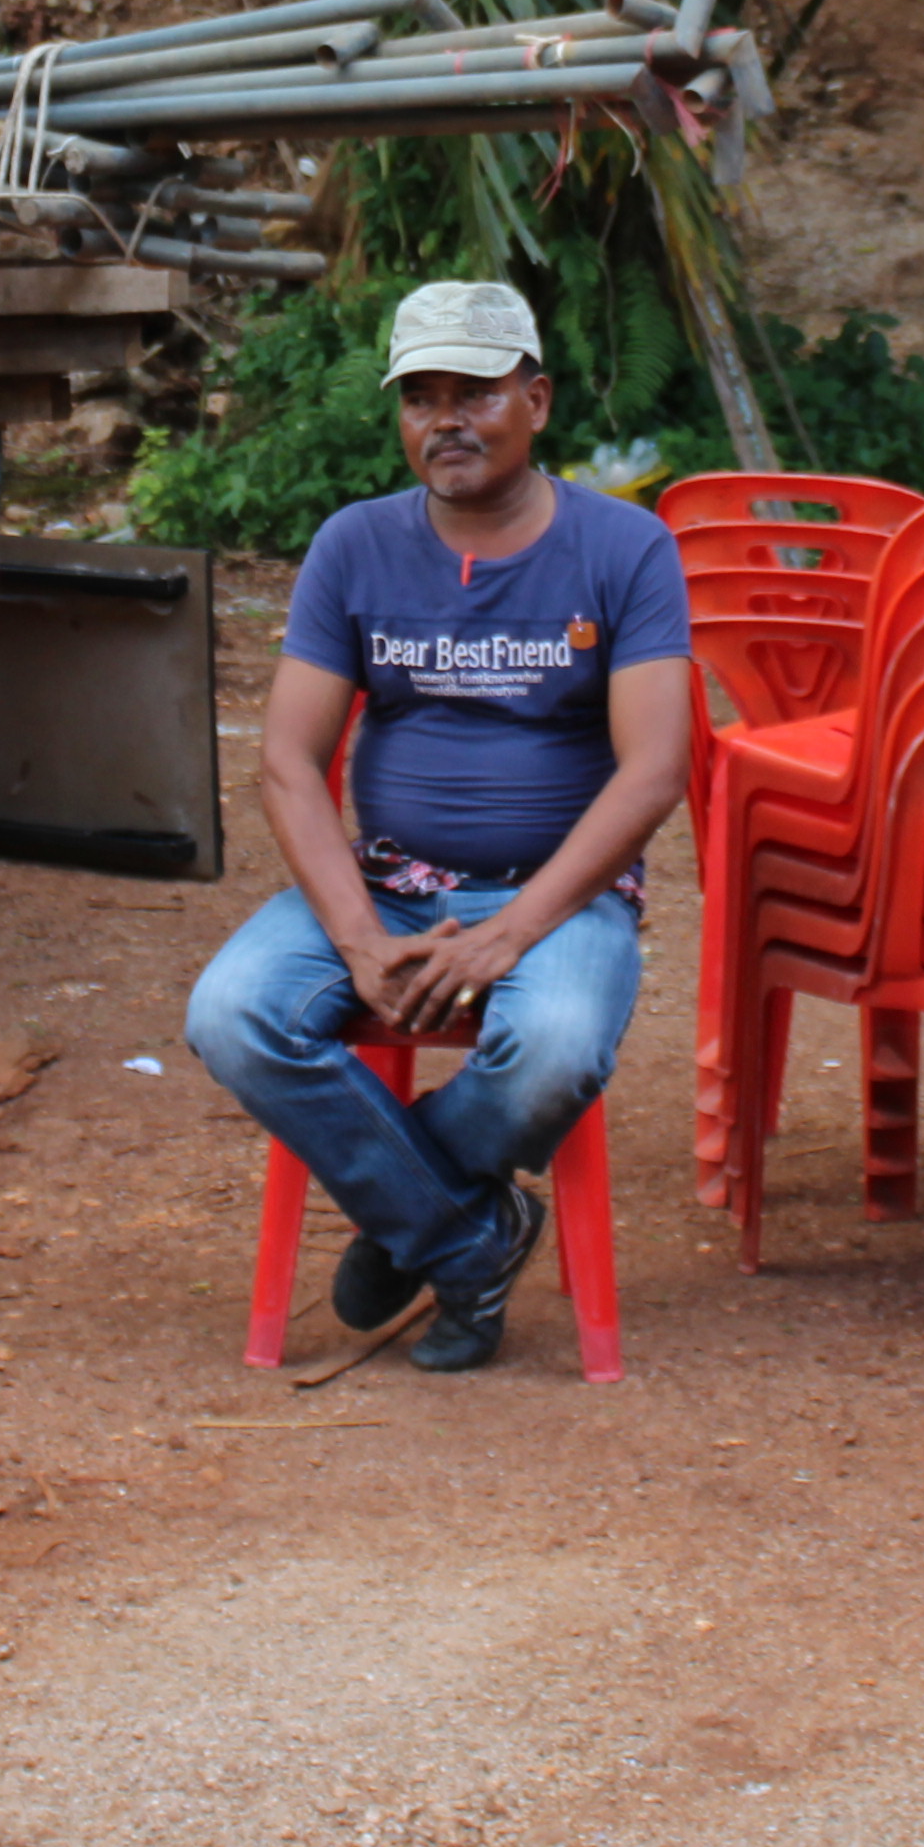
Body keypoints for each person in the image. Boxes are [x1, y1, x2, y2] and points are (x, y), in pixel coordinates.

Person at [185, 279, 694, 1373]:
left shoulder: (626, 549)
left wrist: (511, 933)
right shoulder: (355, 547)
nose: (445, 419)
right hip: (387, 886)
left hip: (559, 898)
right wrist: (362, 939)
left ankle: (405, 1219)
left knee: (553, 1049)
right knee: (232, 1011)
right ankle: (469, 1236)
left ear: (539, 400)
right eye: (421, 397)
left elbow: (655, 772)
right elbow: (288, 762)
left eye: (476, 391)